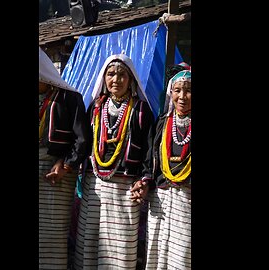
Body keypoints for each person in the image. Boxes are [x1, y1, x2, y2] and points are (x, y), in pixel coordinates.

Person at [74, 54, 154, 269]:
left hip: (124, 186)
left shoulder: (140, 110)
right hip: (95, 184)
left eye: (121, 75)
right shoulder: (96, 107)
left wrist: (144, 179)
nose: (116, 80)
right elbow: (83, 141)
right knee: (89, 239)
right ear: (104, 78)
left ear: (131, 80)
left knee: (119, 244)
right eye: (111, 74)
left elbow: (148, 148)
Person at [38, 47, 89, 269]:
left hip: (56, 172)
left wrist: (66, 164)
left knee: (51, 229)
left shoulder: (69, 97)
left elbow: (82, 138)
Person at [145, 69, 192, 269]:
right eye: (177, 90)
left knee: (183, 252)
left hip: (187, 197)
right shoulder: (163, 123)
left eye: (189, 91)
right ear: (170, 93)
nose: (182, 96)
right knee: (156, 248)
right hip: (161, 198)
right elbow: (151, 157)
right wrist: (146, 180)